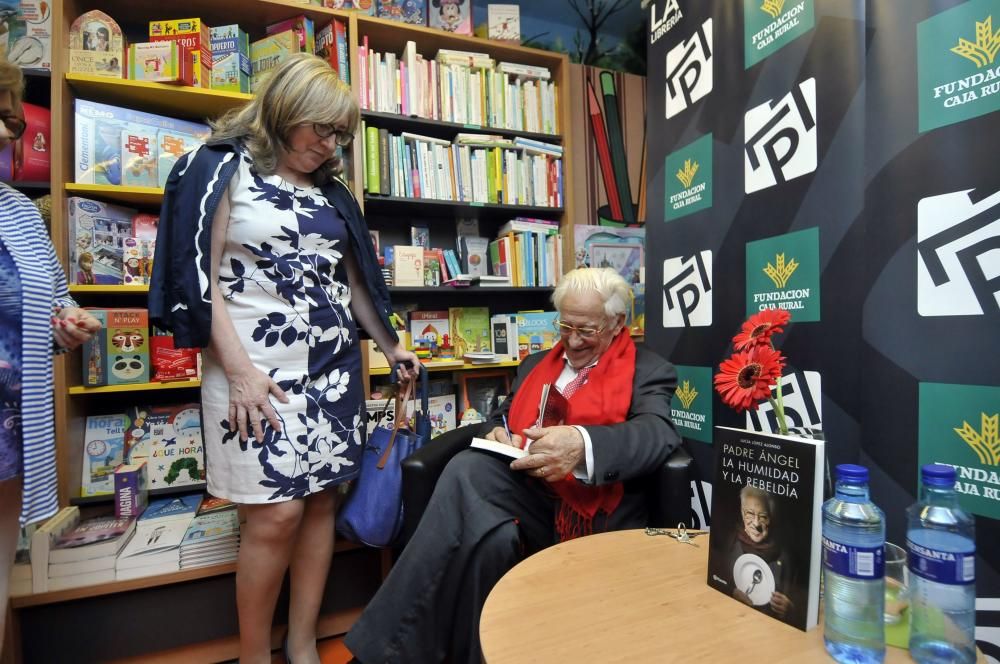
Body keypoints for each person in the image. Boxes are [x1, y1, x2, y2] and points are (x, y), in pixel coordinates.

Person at [148, 53, 419, 664]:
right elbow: (200, 281)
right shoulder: (216, 168)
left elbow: (354, 281)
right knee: (274, 515)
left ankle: (301, 645)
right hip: (251, 369)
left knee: (321, 499)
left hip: (331, 369)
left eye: (339, 135)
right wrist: (239, 372)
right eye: (319, 129)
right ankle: (252, 655)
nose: (329, 145)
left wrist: (391, 344)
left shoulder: (333, 191)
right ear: (282, 112)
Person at [345, 267, 682, 664]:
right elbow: (502, 417)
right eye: (565, 326)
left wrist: (583, 443)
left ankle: (377, 654)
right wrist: (497, 434)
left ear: (616, 323)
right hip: (525, 489)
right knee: (477, 490)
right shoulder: (538, 364)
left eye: (586, 331)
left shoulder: (648, 370)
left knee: (469, 480)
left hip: (587, 510)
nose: (572, 341)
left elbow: (659, 433)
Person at [0, 58, 102, 656]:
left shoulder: (19, 211)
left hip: (18, 443)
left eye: (11, 119)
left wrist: (71, 324)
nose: (10, 134)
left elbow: (56, 301)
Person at [725, 485, 801, 625]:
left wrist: (790, 610)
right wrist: (730, 594)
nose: (756, 523)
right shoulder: (730, 544)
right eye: (750, 514)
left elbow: (800, 608)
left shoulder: (785, 557)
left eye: (763, 516)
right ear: (742, 514)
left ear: (771, 519)